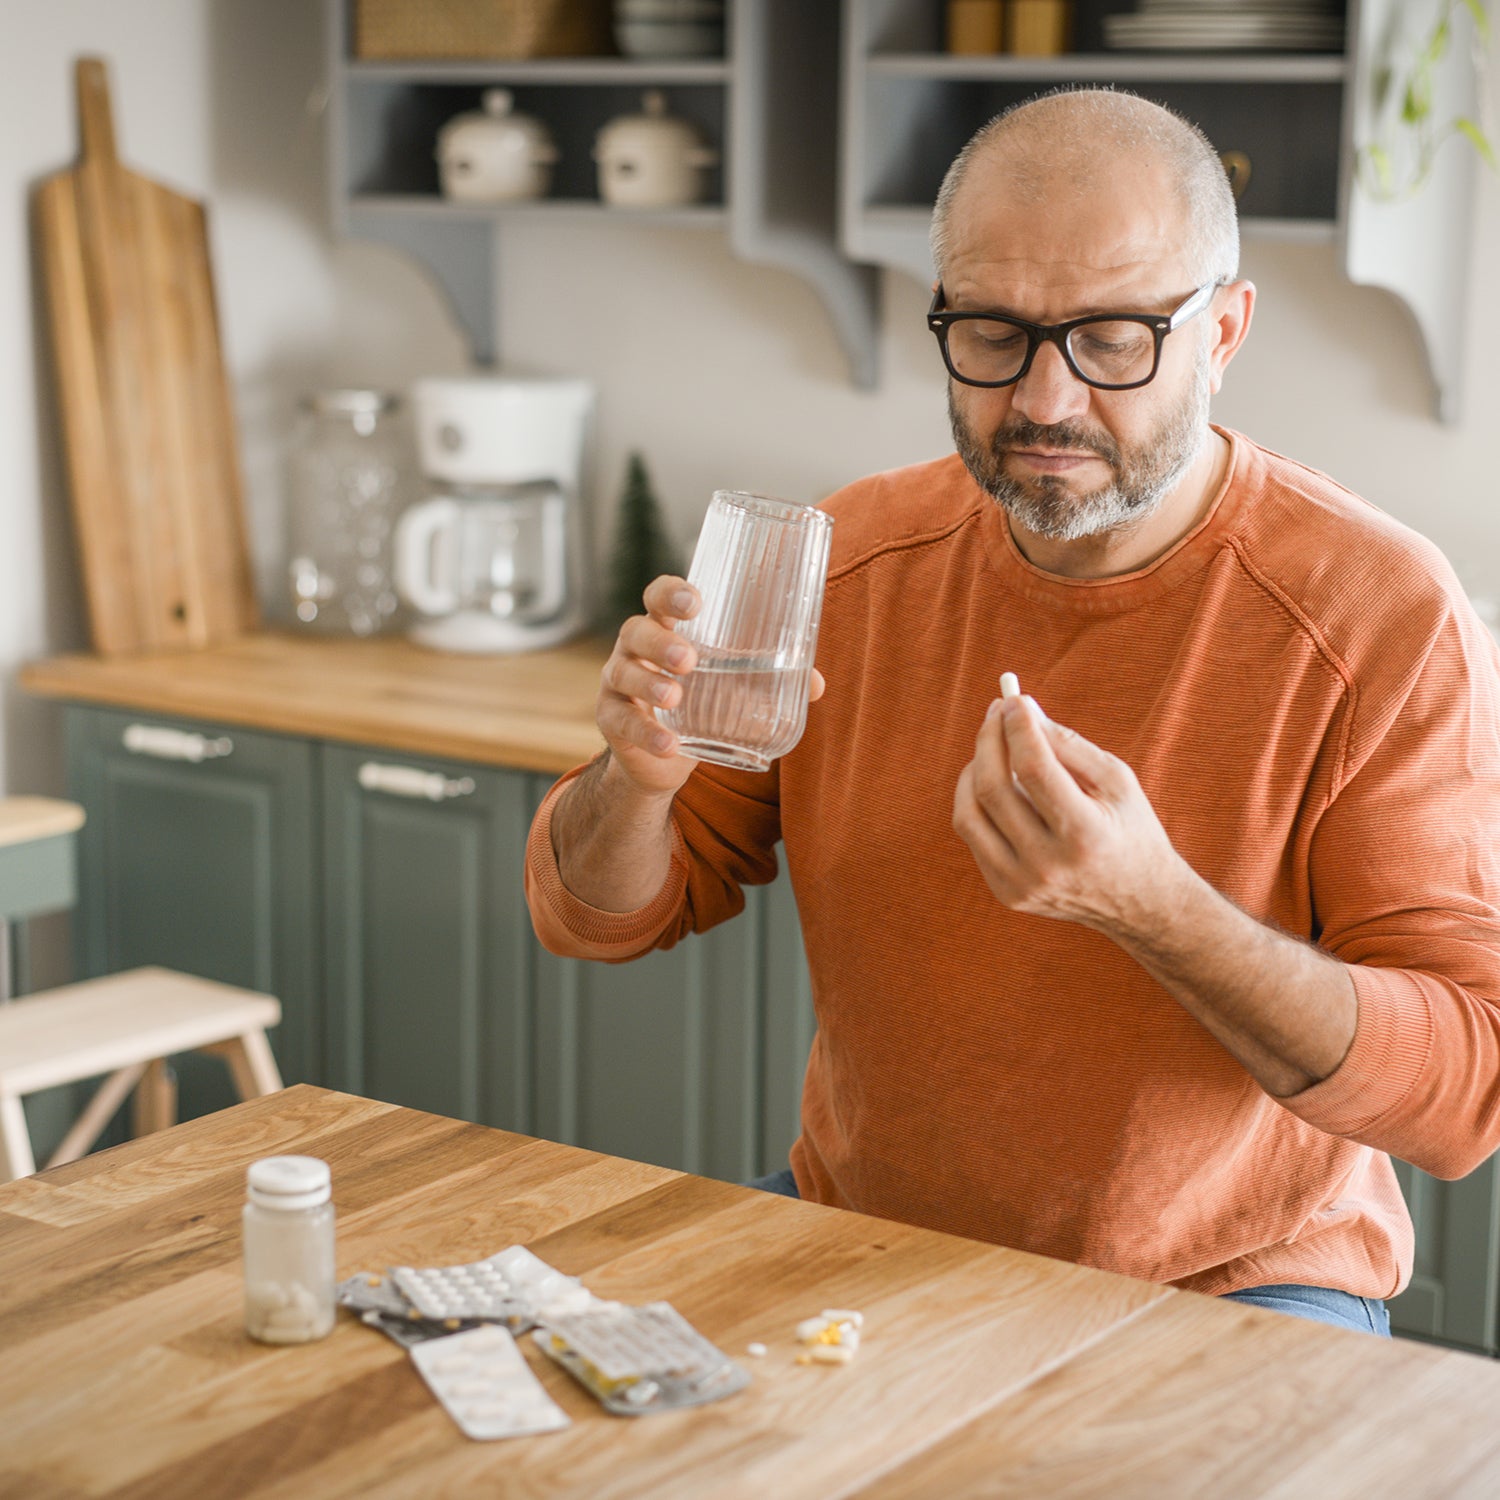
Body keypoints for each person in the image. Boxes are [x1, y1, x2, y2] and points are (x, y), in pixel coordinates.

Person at [526, 88, 1500, 1338]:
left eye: (1113, 337)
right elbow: (592, 921)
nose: (1044, 399)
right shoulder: (856, 555)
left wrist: (1156, 909)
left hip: (1233, 1283)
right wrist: (637, 775)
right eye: (992, 331)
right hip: (865, 1238)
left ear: (1225, 332)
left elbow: (1467, 1092)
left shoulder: (1377, 611)